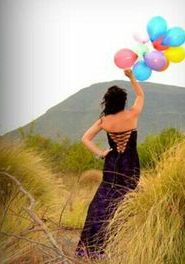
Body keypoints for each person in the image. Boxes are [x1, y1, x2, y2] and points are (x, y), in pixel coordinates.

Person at [74, 68, 144, 260]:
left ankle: (88, 248)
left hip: (112, 165)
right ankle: (116, 241)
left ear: (108, 103)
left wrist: (101, 153)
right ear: (123, 102)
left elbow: (85, 138)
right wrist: (131, 77)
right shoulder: (133, 114)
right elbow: (140, 94)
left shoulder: (104, 121)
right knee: (124, 202)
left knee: (100, 203)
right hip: (130, 166)